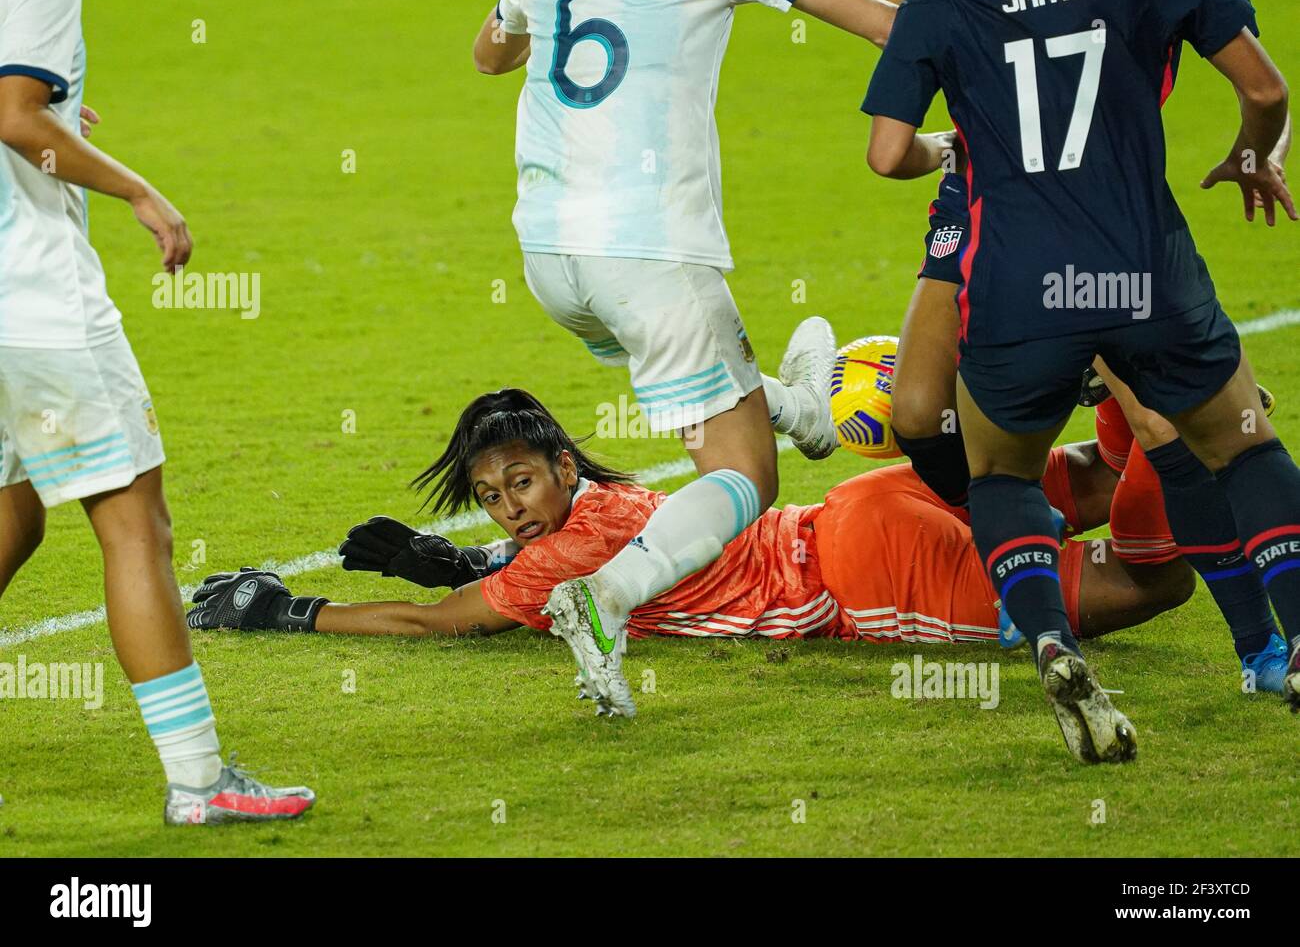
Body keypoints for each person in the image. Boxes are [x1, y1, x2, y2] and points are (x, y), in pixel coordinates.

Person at [469, 0, 936, 717]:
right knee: (744, 471)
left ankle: (805, 409)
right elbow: (890, 24)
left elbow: (489, 55)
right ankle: (607, 597)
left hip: (549, 257)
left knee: (698, 377)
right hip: (644, 249)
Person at [864, 0, 1298, 763]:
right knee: (922, 412)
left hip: (1022, 261)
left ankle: (1217, 642)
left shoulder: (942, 4)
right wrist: (1255, 154)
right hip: (1105, 249)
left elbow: (886, 148)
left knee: (1045, 462)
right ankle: (1269, 640)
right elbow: (1265, 88)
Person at [186, 391, 1193, 691]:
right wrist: (451, 552)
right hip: (856, 504)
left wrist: (290, 608)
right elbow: (491, 573)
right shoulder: (619, 502)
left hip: (865, 571)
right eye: (490, 497)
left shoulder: (558, 559)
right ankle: (1138, 404)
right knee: (1081, 480)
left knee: (1148, 582)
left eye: (520, 482)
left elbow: (438, 621)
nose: (508, 508)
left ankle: (1161, 423)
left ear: (562, 468)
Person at [0, 0, 313, 823]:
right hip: (36, 306)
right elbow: (15, 116)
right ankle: (199, 781)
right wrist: (139, 190)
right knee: (136, 529)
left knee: (11, 524)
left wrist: (56, 126)